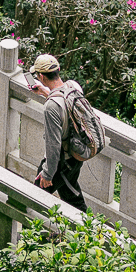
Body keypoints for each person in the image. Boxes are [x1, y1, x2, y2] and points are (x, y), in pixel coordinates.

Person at [30, 53, 87, 211]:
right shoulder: (73, 87)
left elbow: (53, 145)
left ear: (41, 76)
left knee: (35, 196)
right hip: (77, 154)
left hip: (62, 161)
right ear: (58, 70)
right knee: (71, 194)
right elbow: (66, 108)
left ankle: (28, 235)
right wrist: (44, 92)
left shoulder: (51, 107)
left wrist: (47, 174)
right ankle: (87, 231)